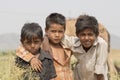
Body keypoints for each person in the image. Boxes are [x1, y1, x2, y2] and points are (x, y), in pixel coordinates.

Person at [16, 13, 74, 80]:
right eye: (53, 31)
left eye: (60, 31)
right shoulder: (41, 44)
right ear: (46, 31)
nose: (57, 35)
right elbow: (20, 49)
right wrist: (31, 58)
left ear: (64, 31)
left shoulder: (67, 45)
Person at [62, 14, 108, 80]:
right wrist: (46, 38)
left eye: (90, 34)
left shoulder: (101, 44)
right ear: (78, 35)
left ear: (96, 34)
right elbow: (57, 37)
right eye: (83, 35)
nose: (86, 38)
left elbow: (100, 73)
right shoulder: (75, 43)